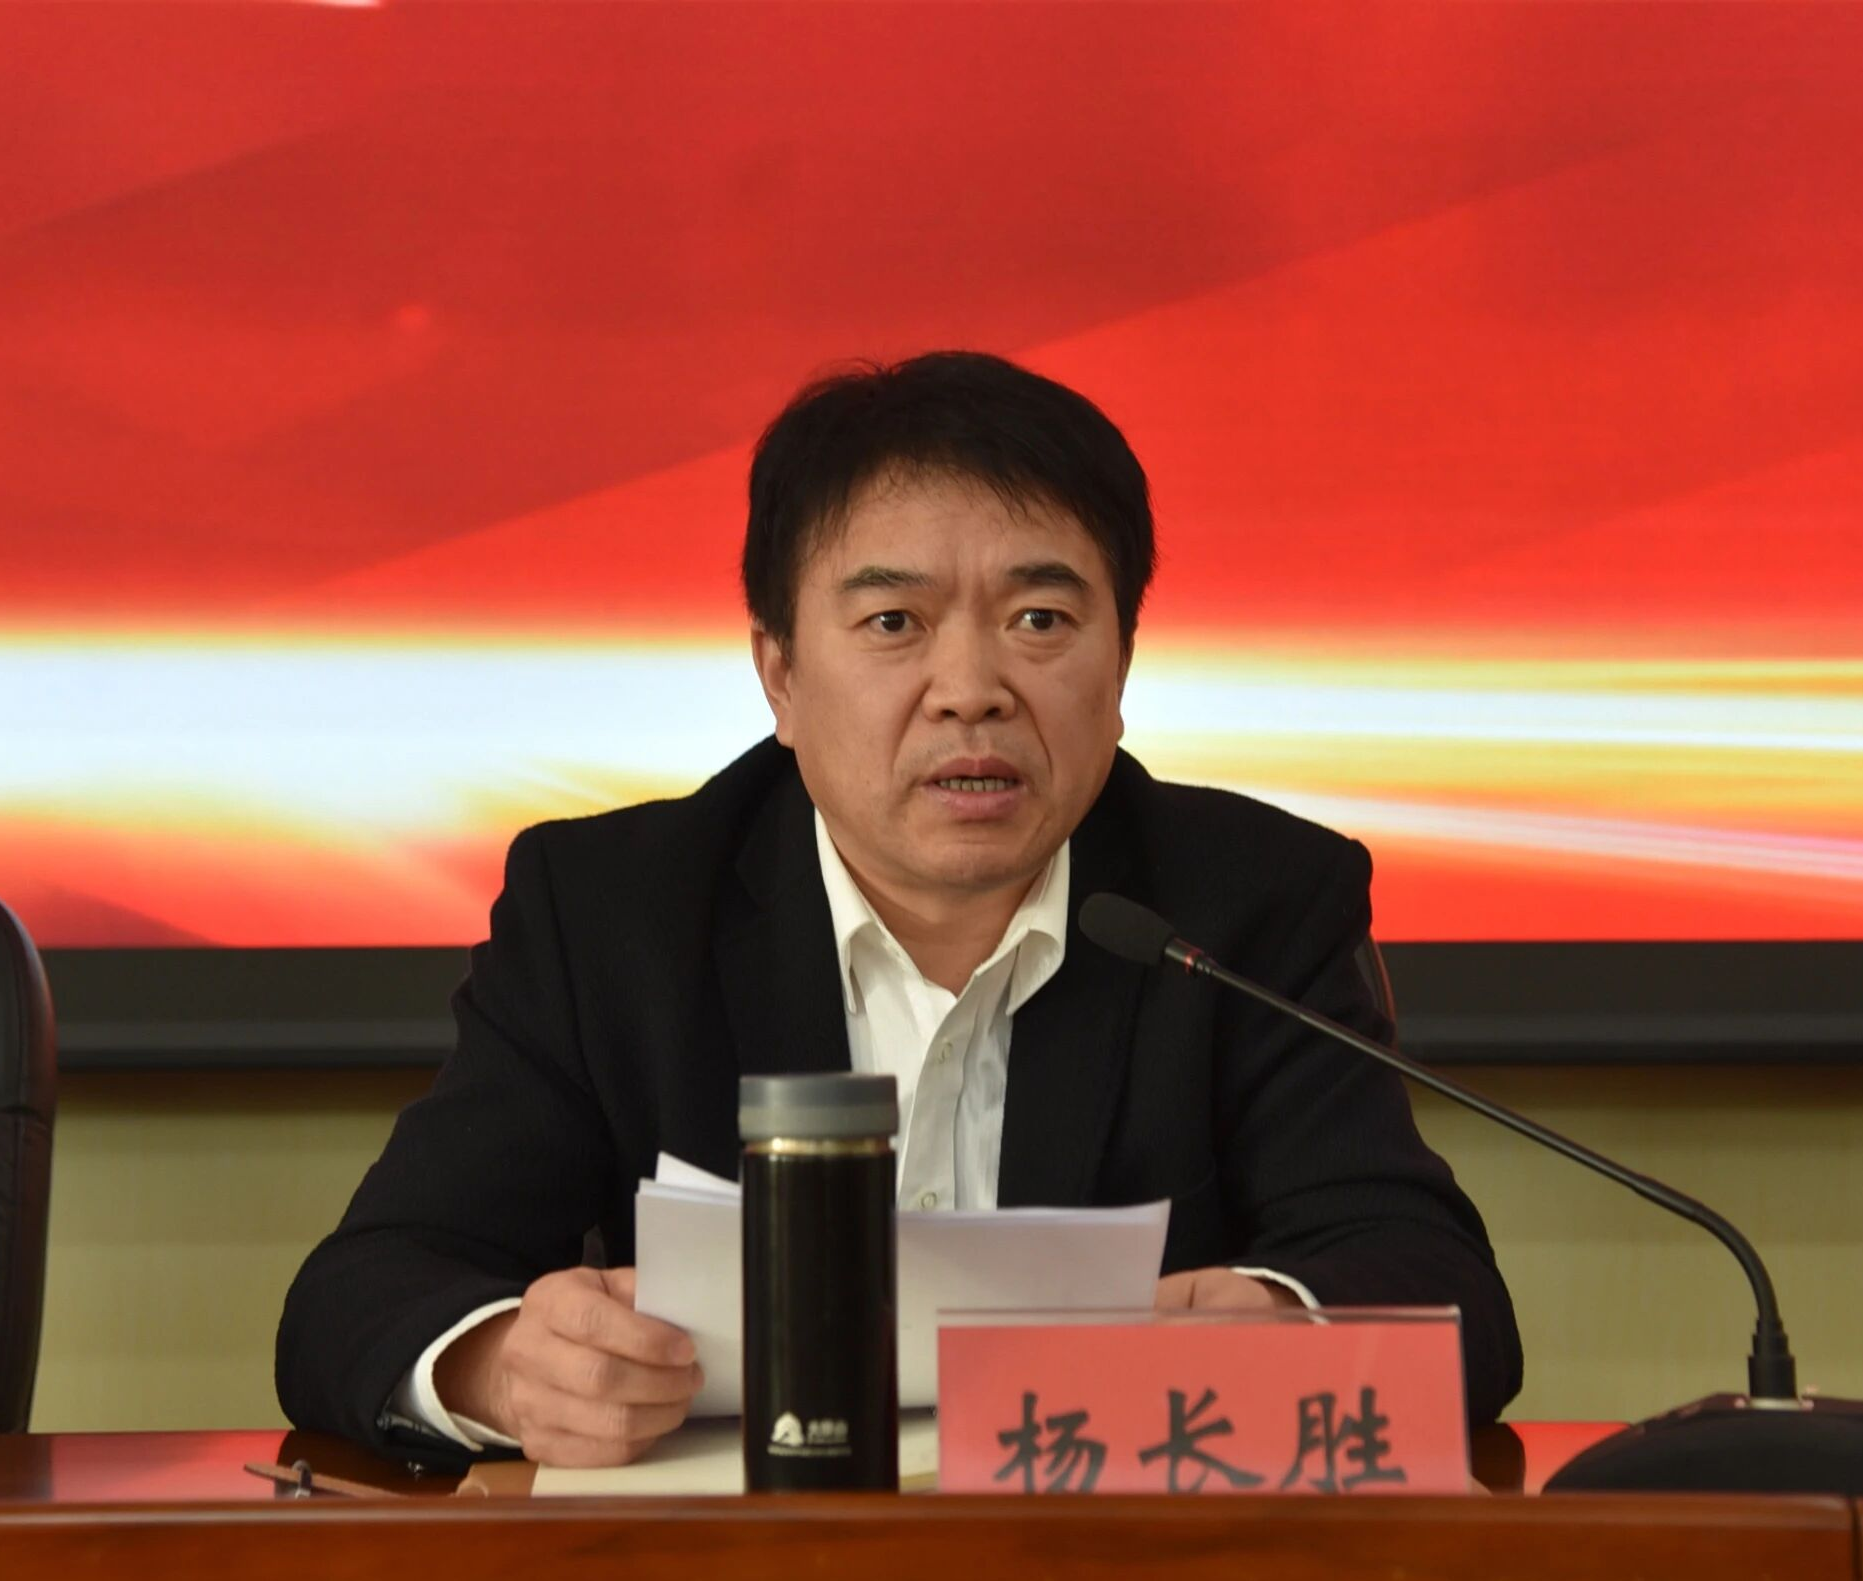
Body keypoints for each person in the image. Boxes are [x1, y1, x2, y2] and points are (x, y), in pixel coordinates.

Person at [277, 351, 1521, 1465]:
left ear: (1122, 662)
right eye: (893, 622)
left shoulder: (1245, 904)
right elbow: (362, 1291)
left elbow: (1441, 1292)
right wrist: (502, 1365)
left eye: (1039, 619)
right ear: (779, 673)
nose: (969, 688)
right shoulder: (613, 912)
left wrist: (1282, 1329)